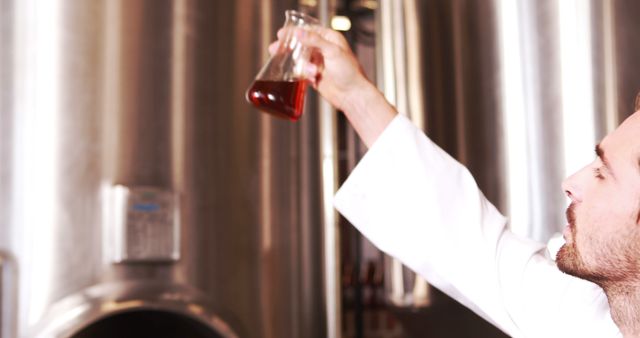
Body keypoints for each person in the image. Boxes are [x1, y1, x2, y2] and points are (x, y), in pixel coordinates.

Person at [271, 27, 640, 337]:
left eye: (602, 173)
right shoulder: (585, 317)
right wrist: (353, 95)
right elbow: (468, 243)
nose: (570, 181)